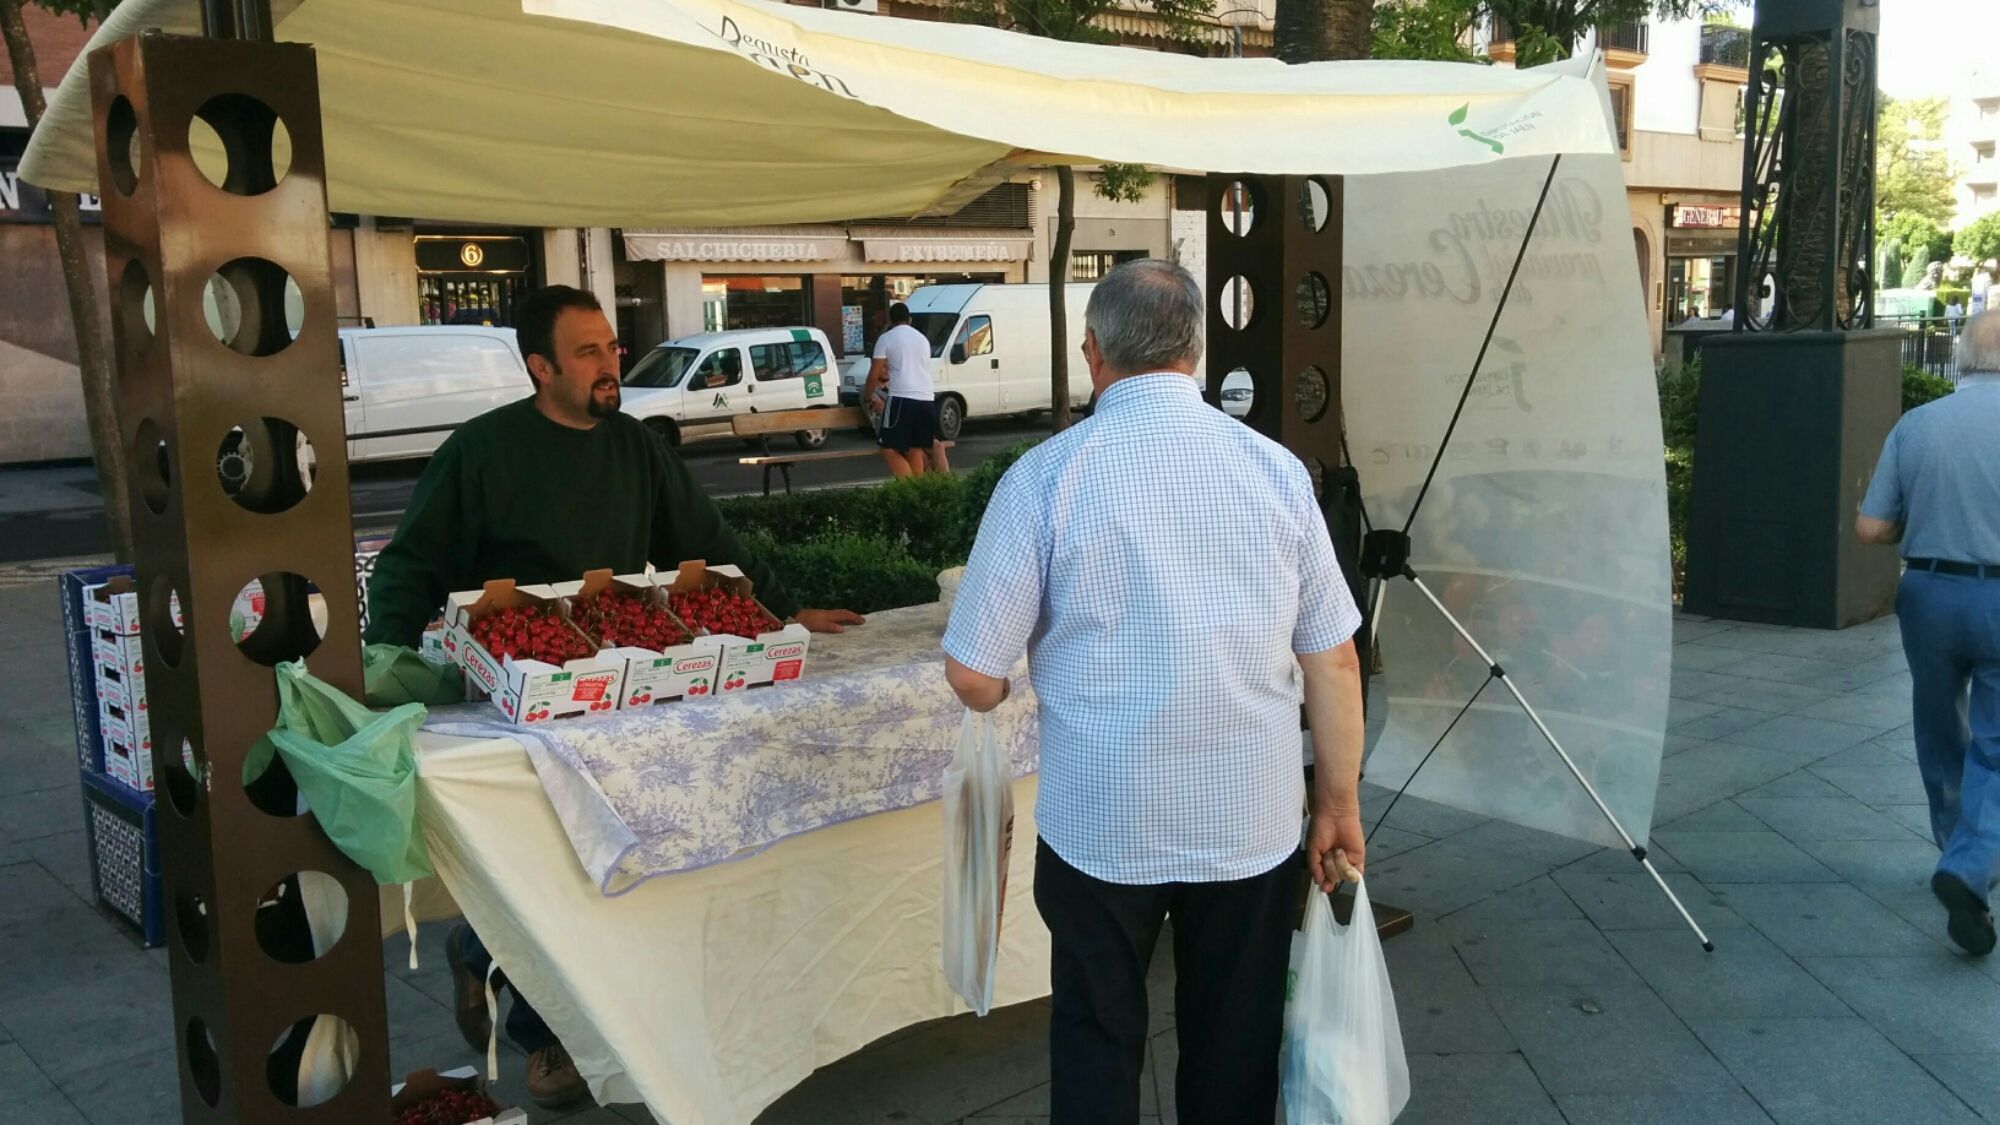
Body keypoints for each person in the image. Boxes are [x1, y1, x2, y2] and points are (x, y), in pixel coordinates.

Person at [364, 284, 863, 1106]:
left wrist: (780, 608)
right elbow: (410, 563)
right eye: (589, 353)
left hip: (631, 684)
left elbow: (708, 545)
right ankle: (542, 1029)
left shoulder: (637, 448)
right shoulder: (481, 453)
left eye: (612, 348)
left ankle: (534, 980)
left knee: (619, 868)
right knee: (552, 867)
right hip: (518, 700)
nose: (610, 366)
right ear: (540, 367)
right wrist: (386, 665)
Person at [941, 260, 1368, 1123]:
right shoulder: (1277, 471)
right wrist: (1339, 801)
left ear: (1093, 354)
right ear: (1196, 352)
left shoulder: (1042, 479)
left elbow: (974, 679)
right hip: (1247, 821)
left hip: (1101, 819)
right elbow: (1334, 658)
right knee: (1234, 1047)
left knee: (1097, 1039)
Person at [1857, 308, 2000, 957]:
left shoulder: (1918, 425)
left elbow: (1871, 528)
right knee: (1997, 745)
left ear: (1961, 357)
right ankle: (1968, 867)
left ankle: (1954, 848)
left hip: (1931, 594)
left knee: (1940, 728)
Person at [864, 302, 939, 477]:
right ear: (910, 319)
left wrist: (868, 395)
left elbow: (875, 372)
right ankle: (917, 493)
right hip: (927, 398)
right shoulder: (922, 339)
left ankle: (907, 489)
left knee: (888, 448)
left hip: (901, 398)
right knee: (915, 448)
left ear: (891, 320)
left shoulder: (886, 338)